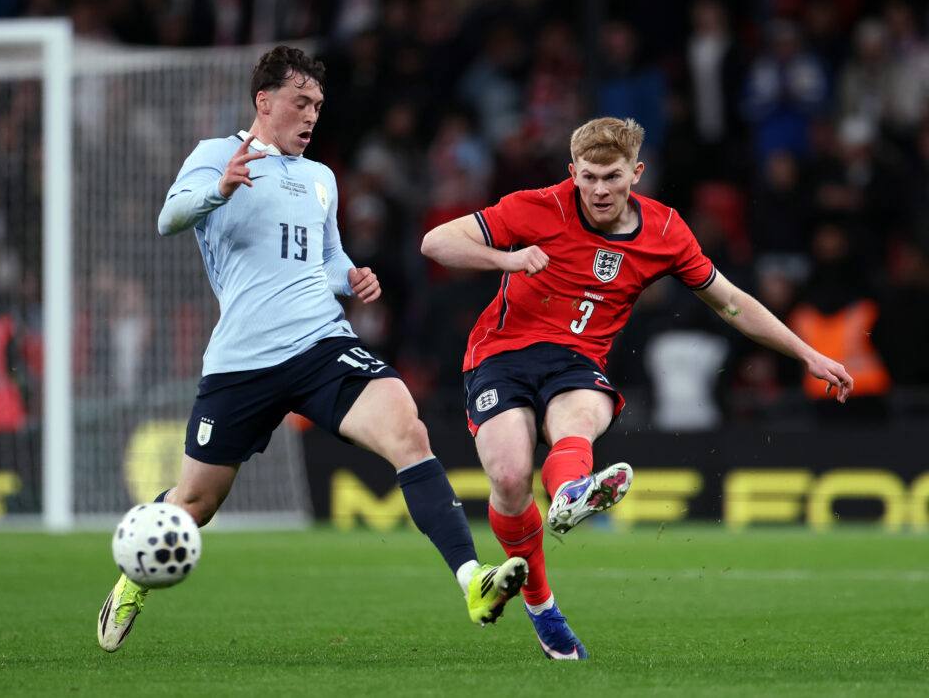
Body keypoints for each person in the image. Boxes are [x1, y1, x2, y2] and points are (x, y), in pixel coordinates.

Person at [97, 46, 527, 653]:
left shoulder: (321, 178)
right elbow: (170, 217)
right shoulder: (217, 155)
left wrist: (352, 278)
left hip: (320, 342)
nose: (311, 116)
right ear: (264, 102)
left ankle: (473, 580)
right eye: (300, 103)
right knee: (196, 502)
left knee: (407, 427)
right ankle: (133, 577)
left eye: (318, 106)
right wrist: (218, 189)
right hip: (243, 360)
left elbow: (323, 259)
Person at [420, 116, 853, 660]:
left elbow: (731, 302)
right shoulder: (537, 207)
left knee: (576, 421)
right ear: (572, 172)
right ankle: (541, 607)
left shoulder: (666, 231)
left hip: (577, 362)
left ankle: (571, 493)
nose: (600, 190)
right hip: (501, 356)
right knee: (508, 479)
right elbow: (436, 243)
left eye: (613, 177)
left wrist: (807, 352)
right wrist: (507, 258)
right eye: (589, 178)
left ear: (636, 173)